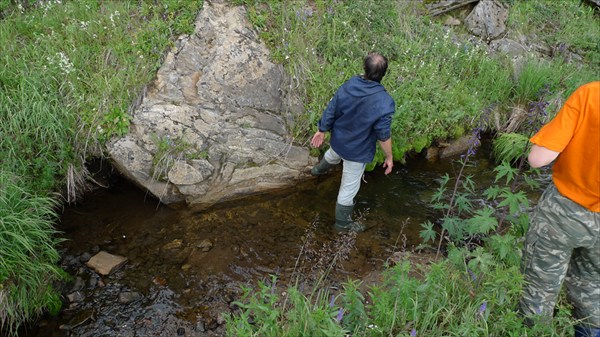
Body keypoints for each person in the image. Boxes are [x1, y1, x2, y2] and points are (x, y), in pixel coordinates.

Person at [519, 81, 599, 337]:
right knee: (593, 296)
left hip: (563, 212)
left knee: (538, 293)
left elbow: (537, 159)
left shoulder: (590, 94)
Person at [310, 52, 395, 232]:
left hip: (339, 141)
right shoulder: (384, 102)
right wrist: (389, 157)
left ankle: (318, 170)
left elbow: (332, 108)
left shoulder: (349, 85)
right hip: (358, 152)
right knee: (348, 190)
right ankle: (342, 224)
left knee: (333, 154)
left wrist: (322, 130)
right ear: (384, 74)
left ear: (364, 68)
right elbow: (383, 135)